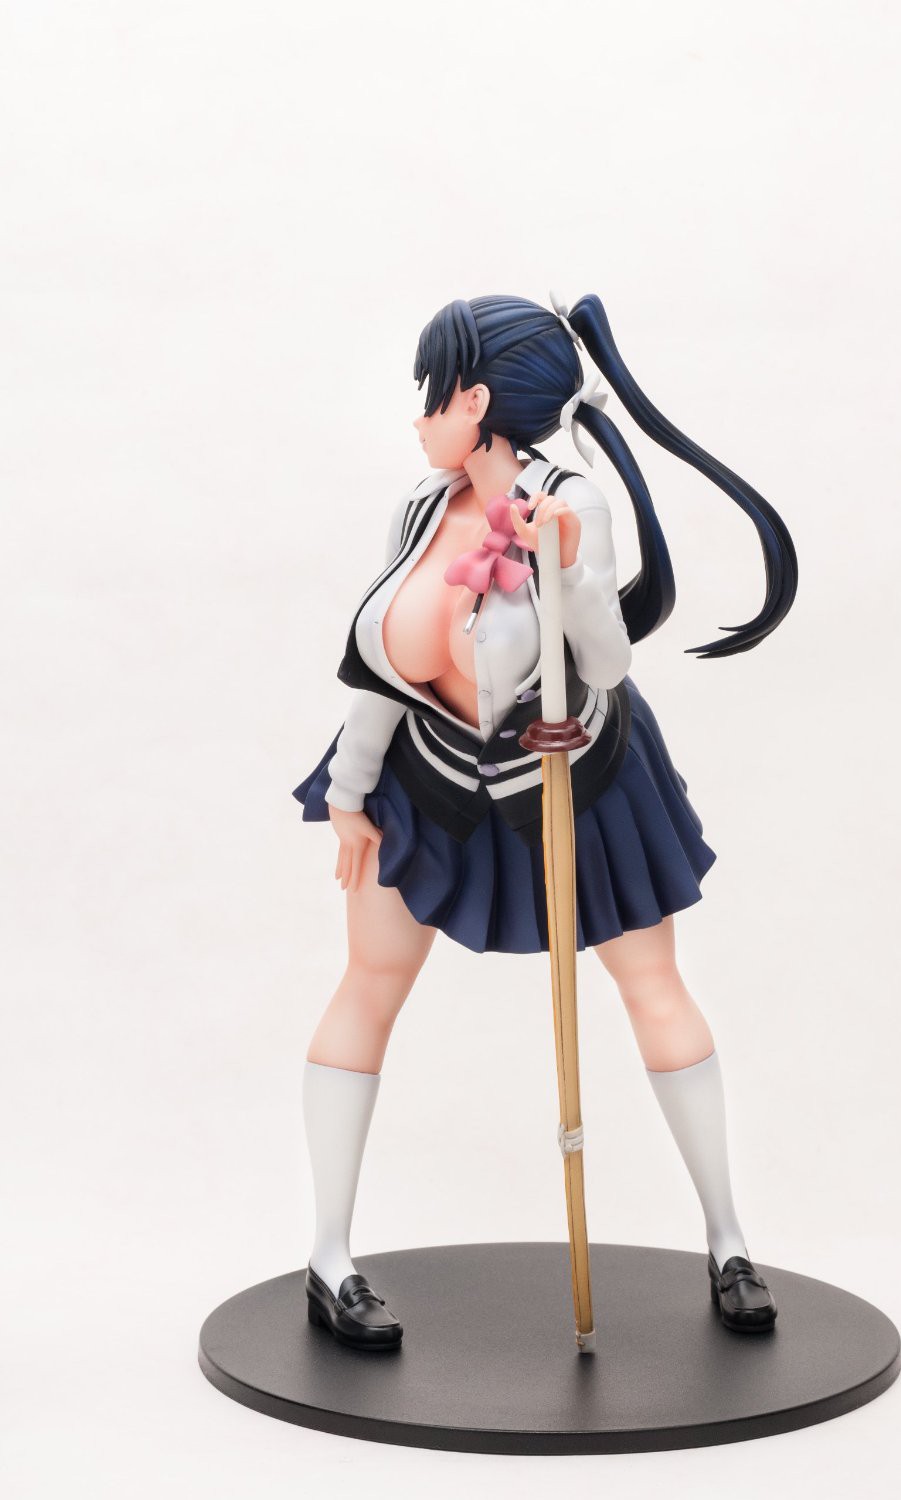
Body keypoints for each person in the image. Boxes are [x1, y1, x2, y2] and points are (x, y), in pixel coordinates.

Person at [292, 293, 797, 1350]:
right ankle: (329, 1260)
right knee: (367, 984)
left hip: (578, 778)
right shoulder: (421, 508)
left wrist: (564, 564)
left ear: (475, 402)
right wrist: (348, 789)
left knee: (653, 987)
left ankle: (729, 1242)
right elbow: (383, 666)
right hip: (427, 778)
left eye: (432, 395)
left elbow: (606, 664)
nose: (419, 417)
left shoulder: (573, 505)